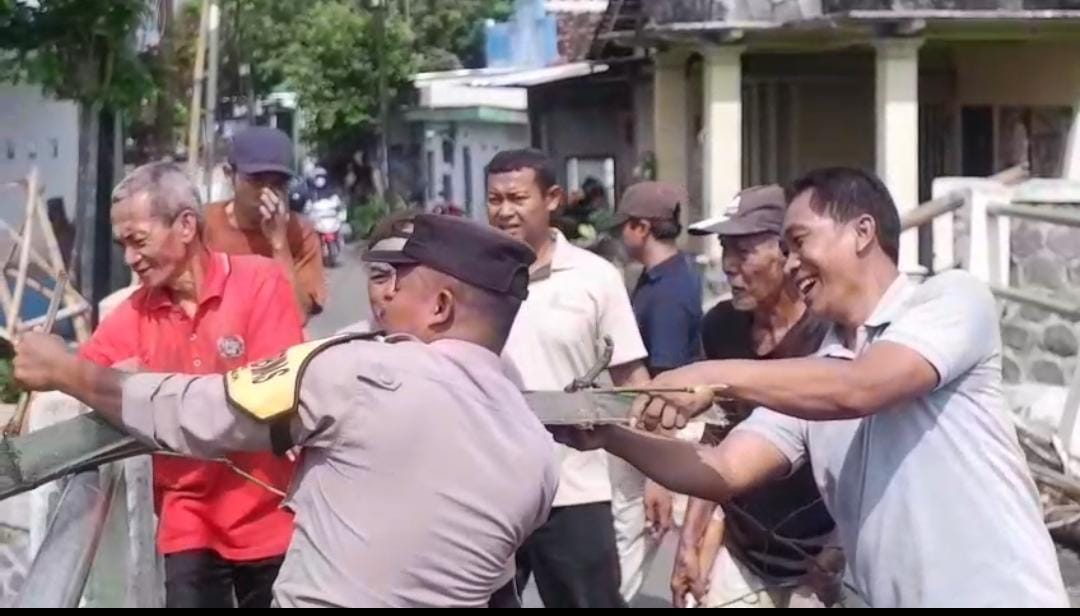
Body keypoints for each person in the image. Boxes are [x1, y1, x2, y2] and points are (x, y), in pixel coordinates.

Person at [555, 167, 1069, 607]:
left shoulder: (949, 300)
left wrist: (711, 373)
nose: (792, 263)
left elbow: (864, 387)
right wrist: (610, 435)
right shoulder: (816, 371)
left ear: (862, 232)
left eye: (799, 242)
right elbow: (725, 470)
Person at [15, 213, 559, 608]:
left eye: (395, 280)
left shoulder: (361, 375)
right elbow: (497, 592)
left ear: (440, 307)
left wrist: (65, 371)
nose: (380, 298)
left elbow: (195, 411)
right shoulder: (535, 450)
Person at [75, 162, 305, 608]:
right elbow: (82, 376)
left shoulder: (260, 282)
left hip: (270, 513)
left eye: (138, 241)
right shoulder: (133, 315)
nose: (129, 258)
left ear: (185, 226)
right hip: (188, 520)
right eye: (122, 244)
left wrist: (152, 395)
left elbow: (275, 399)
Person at [485, 148, 649, 608]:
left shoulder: (595, 278)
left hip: (576, 490)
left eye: (517, 197)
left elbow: (632, 378)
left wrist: (657, 472)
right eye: (494, 199)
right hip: (491, 492)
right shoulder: (471, 280)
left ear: (552, 198)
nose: (504, 211)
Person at [673, 185, 838, 609]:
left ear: (787, 255)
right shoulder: (721, 327)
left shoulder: (831, 335)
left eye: (743, 252)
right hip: (745, 548)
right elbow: (717, 433)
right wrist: (691, 539)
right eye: (725, 249)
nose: (728, 266)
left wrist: (839, 551)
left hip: (823, 556)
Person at [609, 181, 703, 602]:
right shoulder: (659, 279)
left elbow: (665, 388)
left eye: (623, 227)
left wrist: (656, 476)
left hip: (662, 435)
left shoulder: (666, 295)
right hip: (651, 434)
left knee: (632, 548)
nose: (619, 236)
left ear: (641, 228)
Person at [205, 126, 327, 321]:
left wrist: (279, 245)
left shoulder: (300, 232)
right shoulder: (205, 225)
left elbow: (298, 318)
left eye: (278, 183)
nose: (267, 193)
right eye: (256, 181)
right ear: (230, 175)